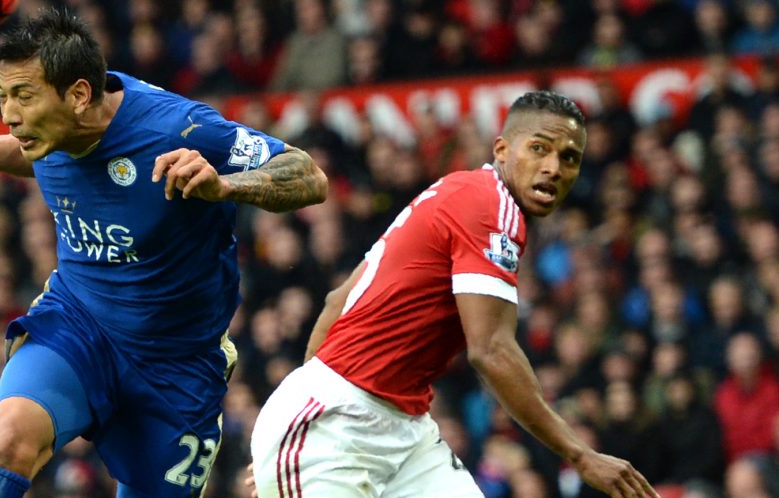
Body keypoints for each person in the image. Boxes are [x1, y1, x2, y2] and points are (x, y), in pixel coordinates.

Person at [0, 8, 328, 498]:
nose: (10, 115)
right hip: (78, 324)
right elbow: (33, 151)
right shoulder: (51, 130)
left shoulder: (178, 129)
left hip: (177, 363)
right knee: (7, 440)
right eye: (3, 96)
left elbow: (308, 176)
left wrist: (225, 185)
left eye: (24, 96)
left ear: (79, 95)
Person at [249, 91, 659, 498]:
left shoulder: (461, 191)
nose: (553, 168)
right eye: (539, 148)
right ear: (502, 149)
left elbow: (337, 301)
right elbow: (490, 350)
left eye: (569, 158)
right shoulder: (489, 206)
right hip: (333, 429)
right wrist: (581, 455)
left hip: (404, 433)